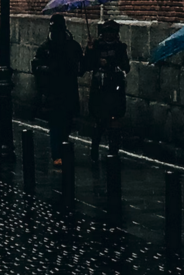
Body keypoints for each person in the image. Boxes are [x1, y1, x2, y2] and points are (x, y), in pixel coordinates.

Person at [32, 14, 83, 167]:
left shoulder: (73, 46)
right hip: (52, 92)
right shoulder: (45, 48)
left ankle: (62, 149)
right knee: (55, 124)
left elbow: (81, 68)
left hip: (68, 91)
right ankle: (57, 155)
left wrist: (89, 54)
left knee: (66, 123)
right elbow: (36, 68)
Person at [81, 19, 130, 162]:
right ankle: (94, 151)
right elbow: (87, 66)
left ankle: (113, 151)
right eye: (106, 32)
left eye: (112, 32)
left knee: (114, 120)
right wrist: (90, 52)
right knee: (99, 121)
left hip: (115, 89)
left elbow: (125, 67)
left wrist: (110, 63)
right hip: (100, 89)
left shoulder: (120, 48)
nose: (109, 35)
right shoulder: (96, 46)